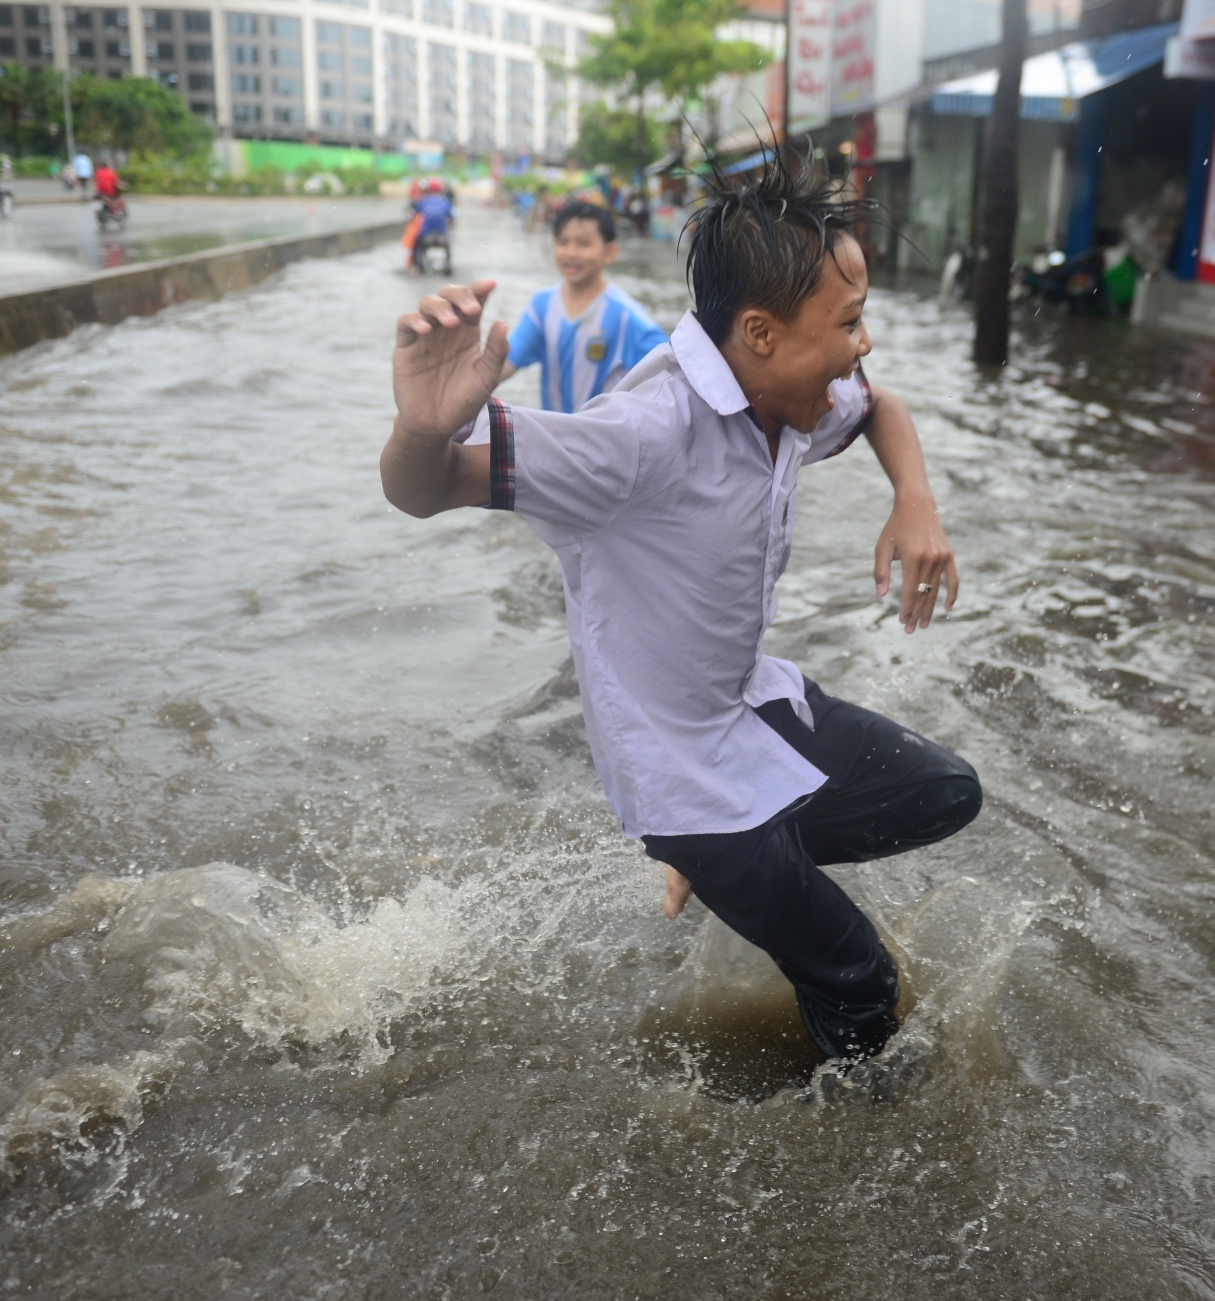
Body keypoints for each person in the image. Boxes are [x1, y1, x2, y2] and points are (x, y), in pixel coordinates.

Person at [381, 157, 982, 1063]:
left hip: (748, 704)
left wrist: (916, 501)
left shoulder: (792, 397)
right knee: (861, 979)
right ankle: (852, 1157)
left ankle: (741, 863)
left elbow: (880, 406)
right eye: (851, 323)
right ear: (760, 333)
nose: (864, 346)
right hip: (681, 775)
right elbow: (423, 492)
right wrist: (423, 427)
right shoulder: (643, 436)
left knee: (943, 793)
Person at [499, 200, 667, 414]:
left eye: (584, 243)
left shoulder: (626, 317)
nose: (571, 253)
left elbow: (669, 378)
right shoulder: (541, 307)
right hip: (554, 440)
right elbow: (507, 363)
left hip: (606, 443)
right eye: (563, 241)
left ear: (609, 252)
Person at [406, 178, 453, 273]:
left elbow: (413, 213)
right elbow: (451, 218)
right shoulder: (446, 202)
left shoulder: (423, 201)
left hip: (425, 235)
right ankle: (448, 265)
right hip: (441, 234)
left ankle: (417, 266)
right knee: (448, 246)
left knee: (416, 245)